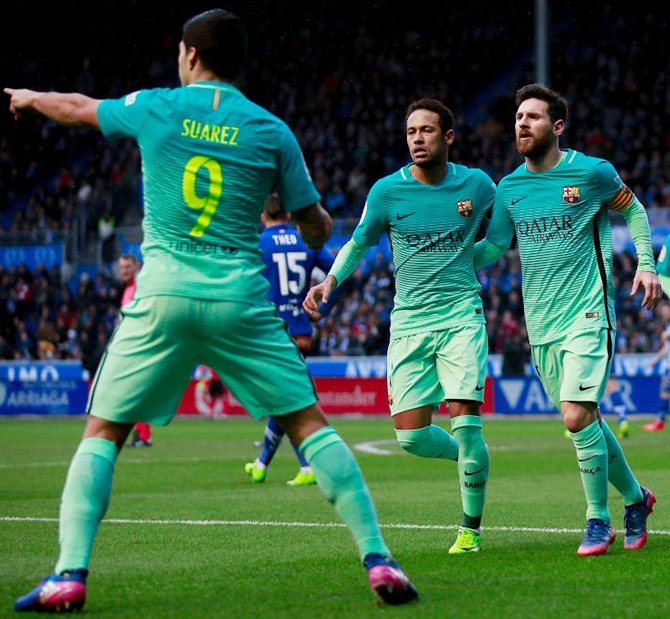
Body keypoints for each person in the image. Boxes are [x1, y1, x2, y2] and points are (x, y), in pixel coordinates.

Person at [6, 9, 417, 612]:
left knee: (104, 432)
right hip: (240, 301)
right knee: (308, 426)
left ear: (191, 55)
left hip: (164, 294)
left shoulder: (157, 106)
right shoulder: (272, 130)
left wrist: (31, 96)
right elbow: (312, 223)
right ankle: (378, 558)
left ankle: (69, 573)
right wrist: (318, 224)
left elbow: (76, 107)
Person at [305, 98, 496, 555]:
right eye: (411, 131)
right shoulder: (387, 191)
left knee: (466, 422)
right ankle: (471, 460)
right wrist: (330, 281)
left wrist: (470, 260)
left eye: (427, 131)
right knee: (410, 436)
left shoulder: (479, 185)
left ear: (447, 137)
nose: (417, 139)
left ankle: (469, 529)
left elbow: (506, 232)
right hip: (409, 321)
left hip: (460, 317)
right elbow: (358, 242)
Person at [474, 83, 658, 556]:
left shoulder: (592, 173)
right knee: (585, 420)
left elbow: (634, 210)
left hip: (590, 313)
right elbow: (494, 247)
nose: (522, 124)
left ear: (556, 127)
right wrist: (451, 258)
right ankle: (637, 499)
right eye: (518, 117)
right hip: (542, 325)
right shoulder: (509, 187)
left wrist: (646, 263)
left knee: (576, 417)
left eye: (532, 117)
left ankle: (598, 520)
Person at [245, 193, 342, 487]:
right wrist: (321, 307)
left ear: (264, 217)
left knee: (286, 398)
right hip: (299, 331)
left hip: (270, 332)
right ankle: (263, 463)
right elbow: (337, 272)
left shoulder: (257, 244)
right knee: (283, 396)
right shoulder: (306, 240)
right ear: (289, 216)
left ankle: (305, 466)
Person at [118, 253, 153, 447]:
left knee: (137, 391)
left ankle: (143, 435)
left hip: (140, 345)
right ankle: (142, 433)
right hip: (131, 345)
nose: (124, 271)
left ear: (136, 266)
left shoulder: (140, 286)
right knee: (135, 391)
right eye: (122, 267)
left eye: (127, 267)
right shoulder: (129, 289)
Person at [646, 300, 670, 431]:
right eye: (663, 312)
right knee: (664, 392)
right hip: (668, 366)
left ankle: (660, 421)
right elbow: (666, 348)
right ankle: (660, 420)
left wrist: (666, 336)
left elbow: (666, 338)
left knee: (665, 392)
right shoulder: (667, 326)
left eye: (667, 311)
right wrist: (656, 359)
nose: (664, 314)